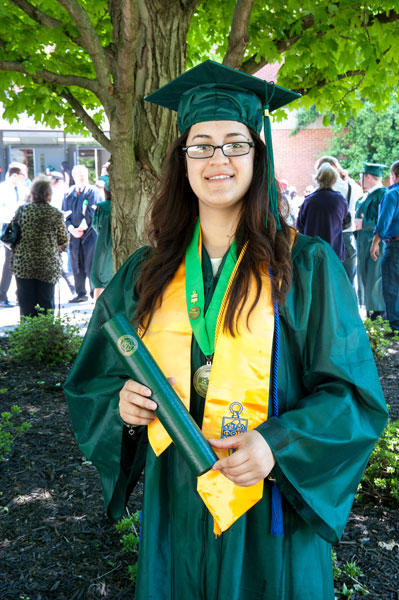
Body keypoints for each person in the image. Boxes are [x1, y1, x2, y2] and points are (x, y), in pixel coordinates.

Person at [64, 60, 387, 600]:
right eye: (202, 146)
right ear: (182, 161)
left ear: (258, 158)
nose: (219, 159)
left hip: (269, 499)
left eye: (236, 144)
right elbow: (93, 382)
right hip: (177, 499)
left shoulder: (304, 266)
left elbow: (353, 397)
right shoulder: (145, 273)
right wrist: (121, 407)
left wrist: (278, 445)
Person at [10, 176, 68, 317]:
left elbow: (12, 234)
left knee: (26, 304)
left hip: (24, 265)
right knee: (46, 304)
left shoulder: (22, 211)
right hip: (47, 265)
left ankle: (28, 335)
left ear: (33, 193)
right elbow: (63, 239)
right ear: (48, 194)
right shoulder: (55, 213)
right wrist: (56, 249)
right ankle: (45, 335)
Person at [315, 156, 363, 286]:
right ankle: (350, 306)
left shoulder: (316, 194)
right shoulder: (351, 187)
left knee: (327, 284)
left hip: (324, 241)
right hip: (347, 238)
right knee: (348, 283)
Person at [62, 164, 101, 302]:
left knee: (90, 264)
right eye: (78, 175)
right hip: (74, 236)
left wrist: (81, 229)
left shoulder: (93, 191)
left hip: (90, 234)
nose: (81, 177)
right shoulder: (68, 193)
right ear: (73, 177)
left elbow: (92, 212)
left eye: (83, 175)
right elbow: (64, 213)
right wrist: (71, 229)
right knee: (76, 264)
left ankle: (92, 293)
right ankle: (80, 293)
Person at [355, 162, 387, 319]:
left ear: (367, 176)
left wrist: (364, 224)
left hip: (376, 246)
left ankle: (378, 318)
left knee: (375, 281)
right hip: (362, 246)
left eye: (361, 177)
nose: (360, 180)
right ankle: (371, 317)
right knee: (366, 281)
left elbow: (387, 221)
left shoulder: (383, 195)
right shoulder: (365, 197)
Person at [296, 162, 348, 260]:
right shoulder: (340, 200)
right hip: (334, 253)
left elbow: (300, 226)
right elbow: (345, 220)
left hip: (312, 252)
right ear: (334, 180)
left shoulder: (308, 201)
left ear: (318, 179)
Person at [370, 160, 399, 332]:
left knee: (391, 287)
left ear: (394, 176)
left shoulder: (392, 194)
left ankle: (395, 328)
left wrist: (375, 241)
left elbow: (385, 219)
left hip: (395, 245)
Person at [0, 163, 28, 307]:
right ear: (15, 175)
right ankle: (2, 295)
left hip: (21, 227)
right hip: (9, 227)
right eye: (23, 175)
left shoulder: (23, 189)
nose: (25, 178)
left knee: (20, 263)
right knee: (9, 263)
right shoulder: (3, 188)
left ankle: (19, 294)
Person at [90, 182, 113, 303]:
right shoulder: (124, 206)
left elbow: (96, 226)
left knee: (99, 278)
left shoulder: (102, 207)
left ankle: (97, 313)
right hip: (119, 244)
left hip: (104, 245)